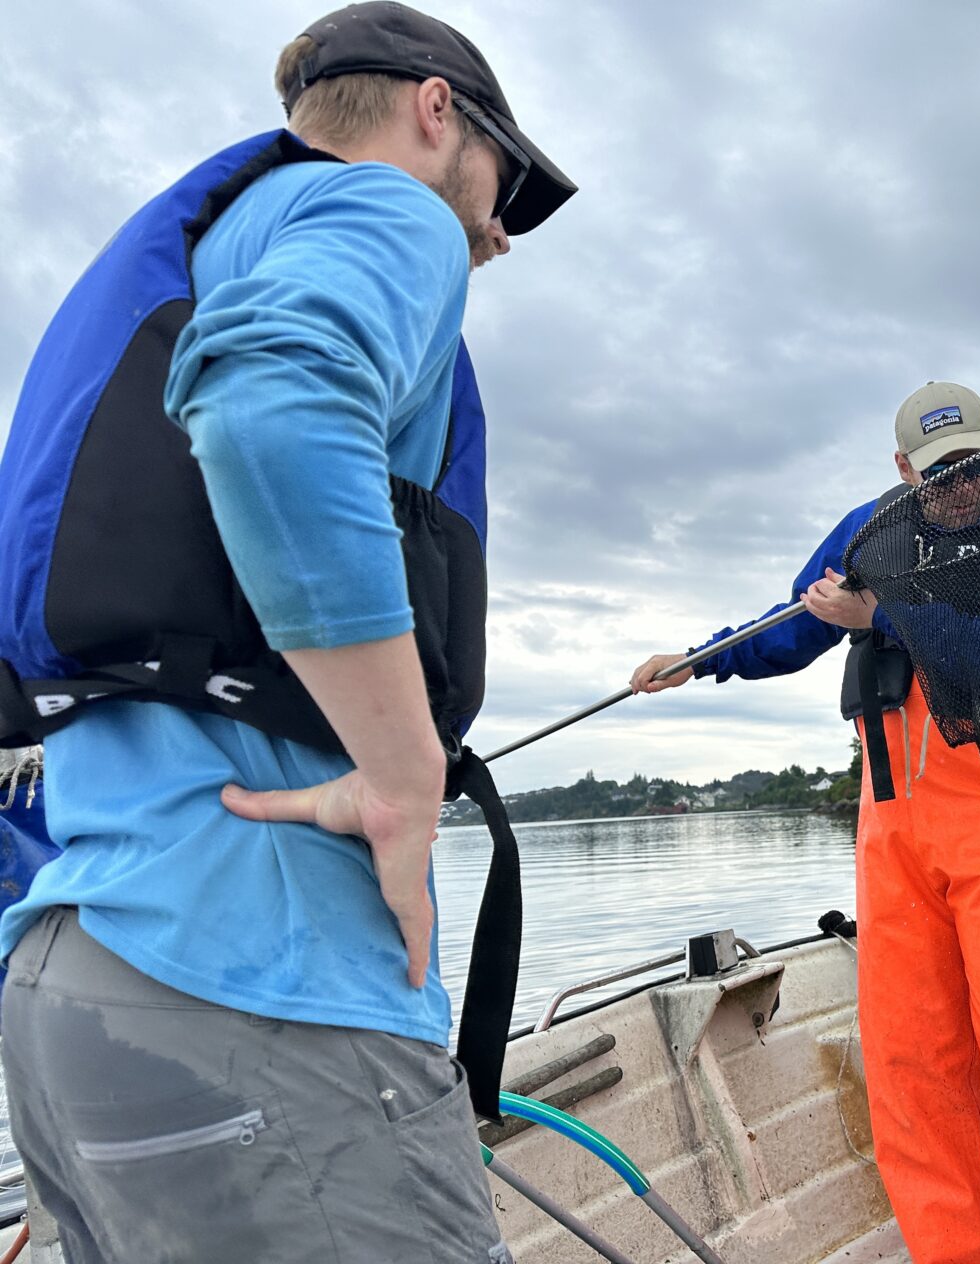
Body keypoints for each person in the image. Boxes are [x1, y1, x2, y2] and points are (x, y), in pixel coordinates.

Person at [0, 5, 573, 1259]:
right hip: (263, 988)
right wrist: (404, 770)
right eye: (505, 188)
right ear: (436, 113)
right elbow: (273, 402)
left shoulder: (198, 251)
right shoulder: (389, 210)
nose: (496, 233)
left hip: (64, 995)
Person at [630, 382, 980, 1264]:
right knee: (911, 1067)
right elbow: (792, 626)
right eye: (937, 473)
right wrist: (701, 662)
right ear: (902, 468)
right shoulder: (871, 522)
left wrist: (880, 616)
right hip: (893, 826)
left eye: (972, 463)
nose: (958, 484)